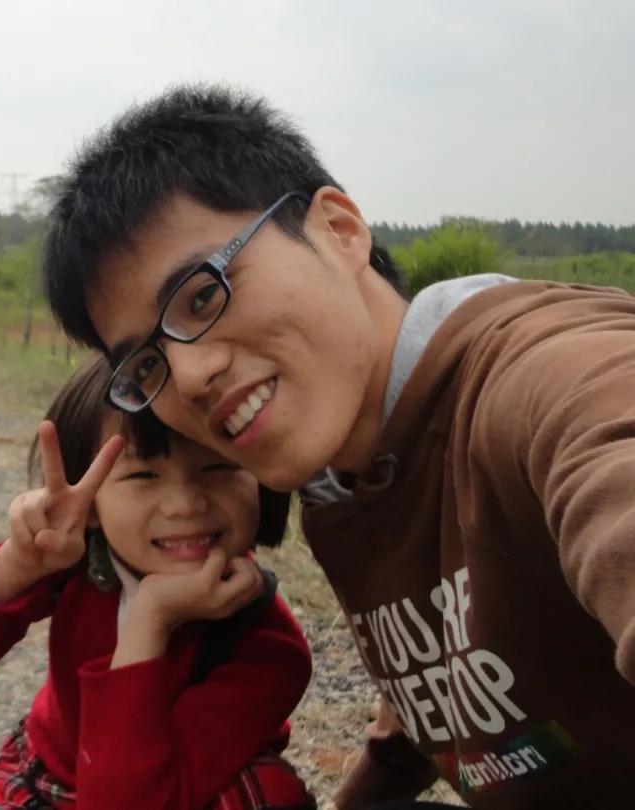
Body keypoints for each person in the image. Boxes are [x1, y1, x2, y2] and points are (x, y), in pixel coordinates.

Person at [39, 84, 635, 809]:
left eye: (202, 294)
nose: (189, 377)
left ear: (339, 230)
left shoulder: (539, 378)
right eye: (147, 363)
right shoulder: (333, 483)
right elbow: (442, 693)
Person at [0, 357, 315, 809]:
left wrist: (150, 621)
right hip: (53, 777)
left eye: (217, 467)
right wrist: (18, 563)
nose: (184, 505)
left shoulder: (268, 649)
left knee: (271, 793)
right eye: (142, 475)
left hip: (159, 794)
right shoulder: (78, 560)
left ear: (263, 477)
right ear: (90, 504)